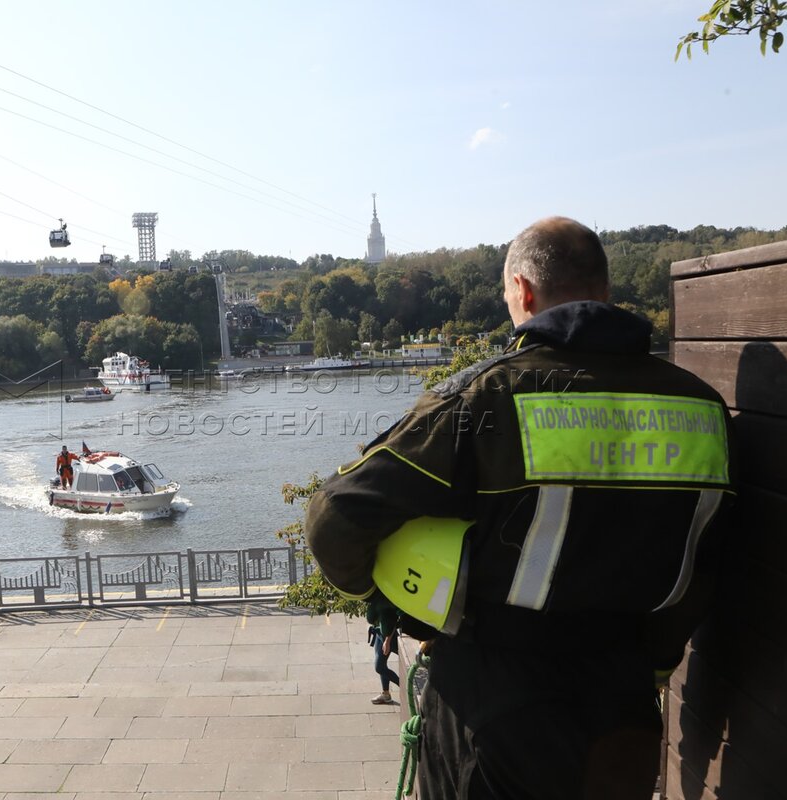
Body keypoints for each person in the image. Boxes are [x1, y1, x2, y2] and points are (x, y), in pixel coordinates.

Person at [305, 216, 735, 800]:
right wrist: (654, 663)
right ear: (606, 291)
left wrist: (398, 603)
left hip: (495, 708)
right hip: (624, 709)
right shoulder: (702, 408)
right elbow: (704, 564)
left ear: (523, 291)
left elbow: (335, 516)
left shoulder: (488, 397)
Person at [367, 600, 400, 705]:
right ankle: (386, 694)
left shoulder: (388, 598)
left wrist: (387, 641)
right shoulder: (376, 596)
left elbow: (393, 619)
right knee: (381, 665)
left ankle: (406, 687)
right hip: (379, 633)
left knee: (379, 667)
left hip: (389, 637)